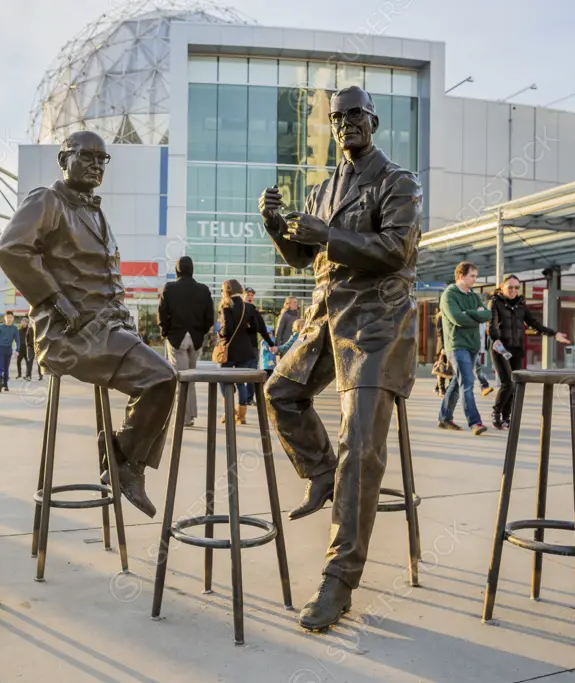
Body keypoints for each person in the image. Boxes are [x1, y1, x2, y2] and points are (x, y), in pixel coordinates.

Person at [258, 85, 421, 630]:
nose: (347, 123)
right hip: (329, 316)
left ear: (373, 121)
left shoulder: (397, 181)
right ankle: (321, 471)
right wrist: (277, 229)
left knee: (361, 447)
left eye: (356, 114)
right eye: (337, 117)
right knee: (280, 391)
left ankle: (339, 579)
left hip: (379, 322)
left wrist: (327, 233)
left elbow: (396, 250)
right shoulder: (323, 188)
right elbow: (303, 258)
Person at [0, 130, 176, 517]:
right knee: (161, 378)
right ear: (64, 159)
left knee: (163, 378)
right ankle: (123, 465)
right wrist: (55, 300)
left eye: (102, 159)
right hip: (71, 334)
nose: (96, 164)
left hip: (107, 329)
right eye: (87, 156)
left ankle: (123, 461)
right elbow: (10, 248)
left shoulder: (95, 211)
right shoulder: (47, 200)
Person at [487, 274, 571, 429]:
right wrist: (496, 340)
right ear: (502, 287)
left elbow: (533, 323)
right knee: (507, 383)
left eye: (516, 287)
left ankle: (506, 417)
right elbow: (491, 325)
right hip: (500, 348)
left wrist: (554, 334)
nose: (513, 290)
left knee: (515, 382)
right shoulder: (495, 302)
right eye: (510, 287)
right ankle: (496, 413)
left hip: (516, 348)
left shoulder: (521, 304)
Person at [158, 255, 214, 428]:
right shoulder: (203, 290)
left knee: (180, 378)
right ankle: (190, 415)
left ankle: (183, 416)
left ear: (177, 270)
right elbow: (209, 318)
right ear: (192, 270)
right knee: (191, 377)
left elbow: (162, 314)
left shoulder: (169, 288)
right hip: (196, 339)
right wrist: (199, 332)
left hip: (176, 339)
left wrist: (165, 332)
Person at [437, 262, 491, 435]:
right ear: (461, 276)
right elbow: (457, 319)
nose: (475, 279)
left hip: (473, 345)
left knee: (457, 382)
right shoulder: (449, 295)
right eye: (472, 276)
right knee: (467, 382)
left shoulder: (474, 296)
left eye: (476, 276)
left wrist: (471, 314)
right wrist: (476, 315)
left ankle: (445, 418)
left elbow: (487, 314)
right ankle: (475, 423)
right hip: (456, 345)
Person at [217, 280, 275, 425]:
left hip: (229, 351)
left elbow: (227, 330)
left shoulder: (226, 307)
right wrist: (271, 343)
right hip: (245, 350)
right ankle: (241, 416)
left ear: (226, 291)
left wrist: (219, 333)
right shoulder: (249, 307)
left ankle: (229, 411)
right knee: (241, 383)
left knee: (223, 380)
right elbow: (258, 327)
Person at [0, 311, 20, 393]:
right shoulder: (1, 327)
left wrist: (17, 350)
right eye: (7, 317)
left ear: (13, 318)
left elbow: (17, 340)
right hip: (0, 347)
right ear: (5, 318)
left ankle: (5, 384)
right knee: (0, 364)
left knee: (6, 367)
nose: (9, 319)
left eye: (10, 317)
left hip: (8, 349)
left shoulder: (14, 328)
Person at [476, 323, 494, 397]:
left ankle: (484, 386)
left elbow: (485, 334)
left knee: (477, 368)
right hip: (471, 346)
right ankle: (484, 386)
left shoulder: (485, 321)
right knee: (477, 367)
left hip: (478, 347)